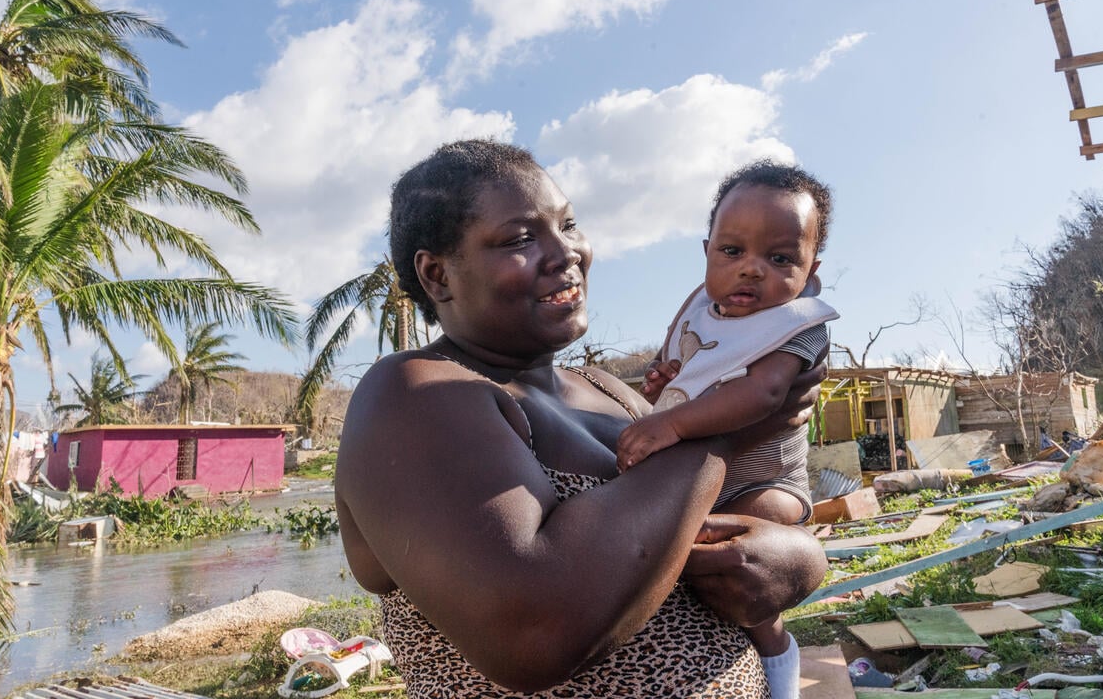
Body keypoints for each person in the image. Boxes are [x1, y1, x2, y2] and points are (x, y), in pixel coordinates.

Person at [334, 140, 829, 699]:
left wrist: (800, 562)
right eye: (521, 238)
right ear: (438, 275)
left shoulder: (611, 391)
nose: (566, 252)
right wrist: (730, 429)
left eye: (568, 224)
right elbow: (533, 635)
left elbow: (718, 513)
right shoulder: (414, 394)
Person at [615, 162, 837, 698]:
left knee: (747, 548)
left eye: (780, 258)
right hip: (698, 480)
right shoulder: (700, 311)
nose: (752, 269)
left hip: (768, 483)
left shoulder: (800, 328)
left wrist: (672, 421)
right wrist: (665, 381)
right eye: (732, 251)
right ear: (708, 251)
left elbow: (760, 394)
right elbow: (682, 371)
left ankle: (778, 659)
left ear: (810, 273)